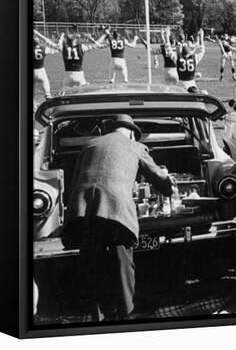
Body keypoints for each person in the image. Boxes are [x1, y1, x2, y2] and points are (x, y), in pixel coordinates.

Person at [62, 114, 173, 321]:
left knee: (92, 263)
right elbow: (158, 177)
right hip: (116, 209)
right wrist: (169, 189)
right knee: (123, 265)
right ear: (131, 132)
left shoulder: (90, 144)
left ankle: (97, 316)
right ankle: (126, 315)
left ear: (111, 129)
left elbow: (76, 178)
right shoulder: (136, 146)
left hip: (83, 209)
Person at [33, 30, 59, 100]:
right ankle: (47, 95)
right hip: (41, 70)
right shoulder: (43, 48)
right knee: (45, 81)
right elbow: (56, 49)